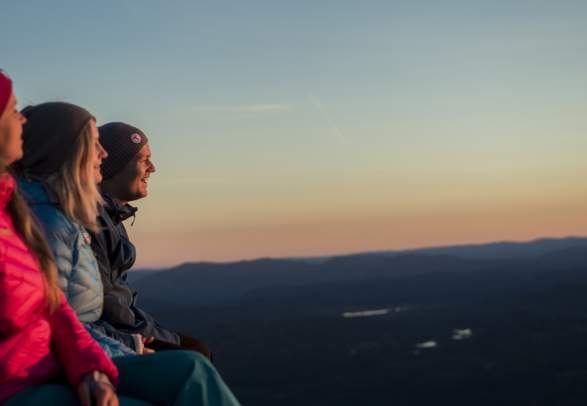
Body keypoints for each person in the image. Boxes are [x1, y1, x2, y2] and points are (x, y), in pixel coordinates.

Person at [5, 83, 240, 404]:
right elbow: (70, 314)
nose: (103, 154)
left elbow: (59, 311)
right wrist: (127, 347)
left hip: (68, 360)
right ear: (70, 152)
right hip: (29, 377)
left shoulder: (50, 215)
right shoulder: (50, 221)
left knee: (192, 363)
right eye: (95, 144)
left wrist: (93, 367)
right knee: (191, 364)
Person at [90, 122, 211, 357]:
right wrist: (143, 336)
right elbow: (106, 305)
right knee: (196, 353)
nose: (152, 168)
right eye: (143, 159)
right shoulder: (95, 222)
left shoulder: (110, 217)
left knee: (195, 349)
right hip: (115, 335)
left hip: (123, 329)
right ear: (113, 167)